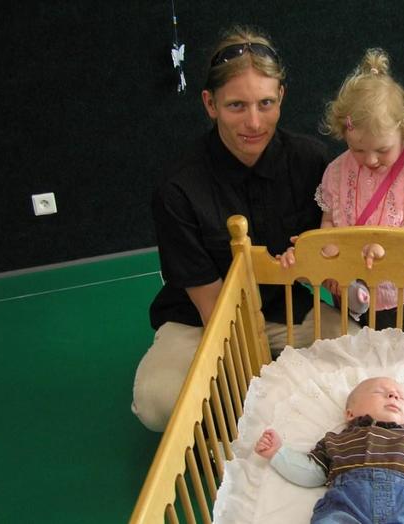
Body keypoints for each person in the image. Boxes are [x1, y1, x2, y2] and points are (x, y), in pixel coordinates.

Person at [132, 26, 356, 432]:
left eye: (265, 103)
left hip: (286, 308)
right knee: (159, 403)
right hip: (204, 319)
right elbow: (214, 308)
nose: (254, 122)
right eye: (236, 106)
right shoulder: (178, 188)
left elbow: (326, 256)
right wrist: (260, 377)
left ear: (281, 97)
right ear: (210, 103)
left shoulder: (312, 160)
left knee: (361, 356)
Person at [279, 48, 404, 337]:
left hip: (398, 288)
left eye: (382, 150)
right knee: (353, 346)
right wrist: (327, 254)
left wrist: (386, 244)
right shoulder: (336, 171)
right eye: (357, 149)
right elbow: (329, 223)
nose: (370, 160)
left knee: (395, 348)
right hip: (348, 286)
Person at [255, 377, 404, 523]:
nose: (394, 396)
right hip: (348, 502)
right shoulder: (336, 440)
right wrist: (278, 453)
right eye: (381, 392)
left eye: (400, 396)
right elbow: (311, 473)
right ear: (350, 413)